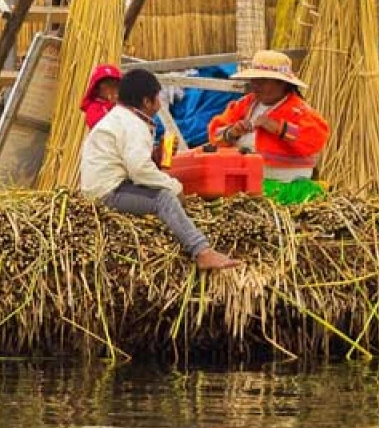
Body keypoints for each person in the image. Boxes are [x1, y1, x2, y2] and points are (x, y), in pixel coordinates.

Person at [80, 68, 240, 272]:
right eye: (157, 97)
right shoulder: (133, 124)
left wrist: (156, 154)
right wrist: (174, 187)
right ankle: (202, 251)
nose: (159, 102)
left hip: (108, 185)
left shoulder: (122, 118)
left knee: (164, 188)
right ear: (147, 102)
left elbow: (132, 161)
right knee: (165, 198)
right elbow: (139, 170)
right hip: (109, 192)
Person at [208, 50, 330, 204]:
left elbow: (315, 139)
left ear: (282, 83)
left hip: (283, 186)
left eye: (263, 81)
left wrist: (278, 128)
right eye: (254, 80)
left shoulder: (298, 110)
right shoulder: (244, 105)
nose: (256, 86)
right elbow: (215, 136)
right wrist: (232, 132)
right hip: (243, 181)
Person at [80, 64, 124, 129]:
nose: (112, 88)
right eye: (108, 84)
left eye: (116, 85)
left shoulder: (122, 104)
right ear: (97, 88)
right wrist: (111, 105)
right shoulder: (93, 107)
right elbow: (95, 124)